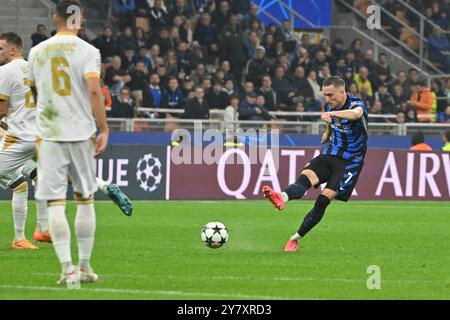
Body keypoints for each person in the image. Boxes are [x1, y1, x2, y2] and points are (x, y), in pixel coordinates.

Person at [27, 0, 128, 285]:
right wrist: (104, 128)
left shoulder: (36, 51)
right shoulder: (89, 51)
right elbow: (94, 90)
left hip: (49, 134)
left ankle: (67, 269)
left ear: (55, 17)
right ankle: (84, 266)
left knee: (56, 203)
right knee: (85, 200)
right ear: (78, 19)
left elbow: (35, 93)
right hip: (81, 132)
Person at [262, 77, 369, 252]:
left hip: (351, 162)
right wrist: (328, 132)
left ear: (342, 92)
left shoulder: (355, 103)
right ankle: (282, 196)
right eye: (325, 95)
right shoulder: (329, 106)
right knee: (306, 178)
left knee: (323, 200)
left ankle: (295, 239)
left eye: (330, 95)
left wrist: (332, 115)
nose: (327, 99)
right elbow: (331, 122)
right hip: (331, 153)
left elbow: (355, 114)